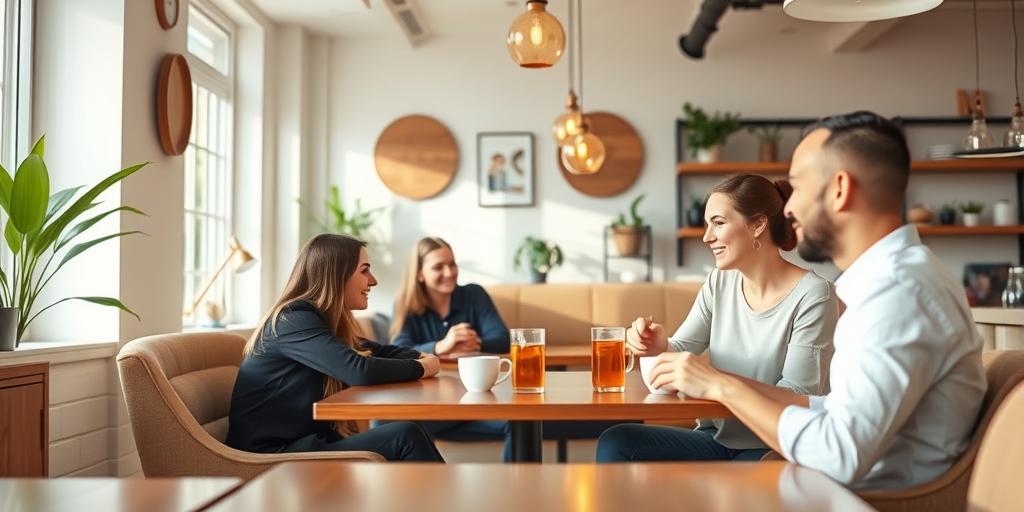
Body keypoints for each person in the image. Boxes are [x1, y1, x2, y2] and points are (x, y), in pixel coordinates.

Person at [646, 111, 986, 489]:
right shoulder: (894, 280)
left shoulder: (898, 294)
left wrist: (721, 387)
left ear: (839, 189)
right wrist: (714, 380)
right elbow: (832, 410)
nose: (788, 208)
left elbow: (838, 455)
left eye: (798, 187)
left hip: (866, 500)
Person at [596, 174, 838, 463]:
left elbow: (799, 396)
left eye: (718, 223)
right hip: (714, 438)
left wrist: (715, 382)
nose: (707, 236)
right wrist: (659, 346)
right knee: (617, 442)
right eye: (707, 224)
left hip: (772, 445)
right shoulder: (719, 281)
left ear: (758, 225)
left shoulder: (814, 294)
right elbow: (682, 350)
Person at [226, 234, 444, 462]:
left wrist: (421, 355)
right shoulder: (293, 319)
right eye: (364, 271)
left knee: (412, 429)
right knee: (405, 435)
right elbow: (359, 370)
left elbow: (371, 349)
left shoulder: (316, 320)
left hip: (303, 443)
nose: (373, 281)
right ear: (337, 275)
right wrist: (422, 367)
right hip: (268, 456)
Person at [389, 237, 509, 443]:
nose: (449, 272)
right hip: (429, 405)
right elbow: (398, 350)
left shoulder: (474, 294)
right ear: (419, 274)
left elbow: (503, 338)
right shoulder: (406, 304)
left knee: (517, 423)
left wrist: (476, 343)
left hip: (472, 399)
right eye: (438, 267)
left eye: (452, 264)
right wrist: (440, 346)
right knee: (387, 422)